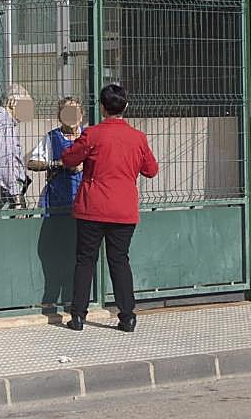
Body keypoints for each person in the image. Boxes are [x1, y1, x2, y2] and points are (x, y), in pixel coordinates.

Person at [61, 83, 159, 333]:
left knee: (85, 260)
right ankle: (127, 316)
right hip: (123, 210)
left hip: (92, 207)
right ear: (125, 106)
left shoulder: (92, 135)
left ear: (102, 108)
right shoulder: (137, 138)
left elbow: (69, 159)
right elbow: (151, 170)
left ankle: (78, 316)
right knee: (119, 261)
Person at [26, 96, 85, 212]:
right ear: (60, 117)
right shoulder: (51, 137)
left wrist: (84, 165)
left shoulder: (88, 136)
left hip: (83, 201)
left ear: (81, 116)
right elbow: (31, 163)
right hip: (57, 201)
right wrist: (58, 164)